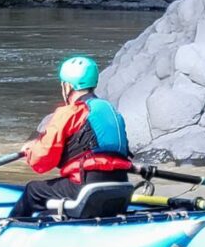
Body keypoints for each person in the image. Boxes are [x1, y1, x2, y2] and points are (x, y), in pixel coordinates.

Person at [8, 55, 131, 218]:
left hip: (87, 187)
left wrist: (30, 151)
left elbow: (42, 161)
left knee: (33, 190)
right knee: (49, 204)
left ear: (67, 86)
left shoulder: (69, 112)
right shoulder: (110, 110)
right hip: (121, 185)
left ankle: (9, 226)